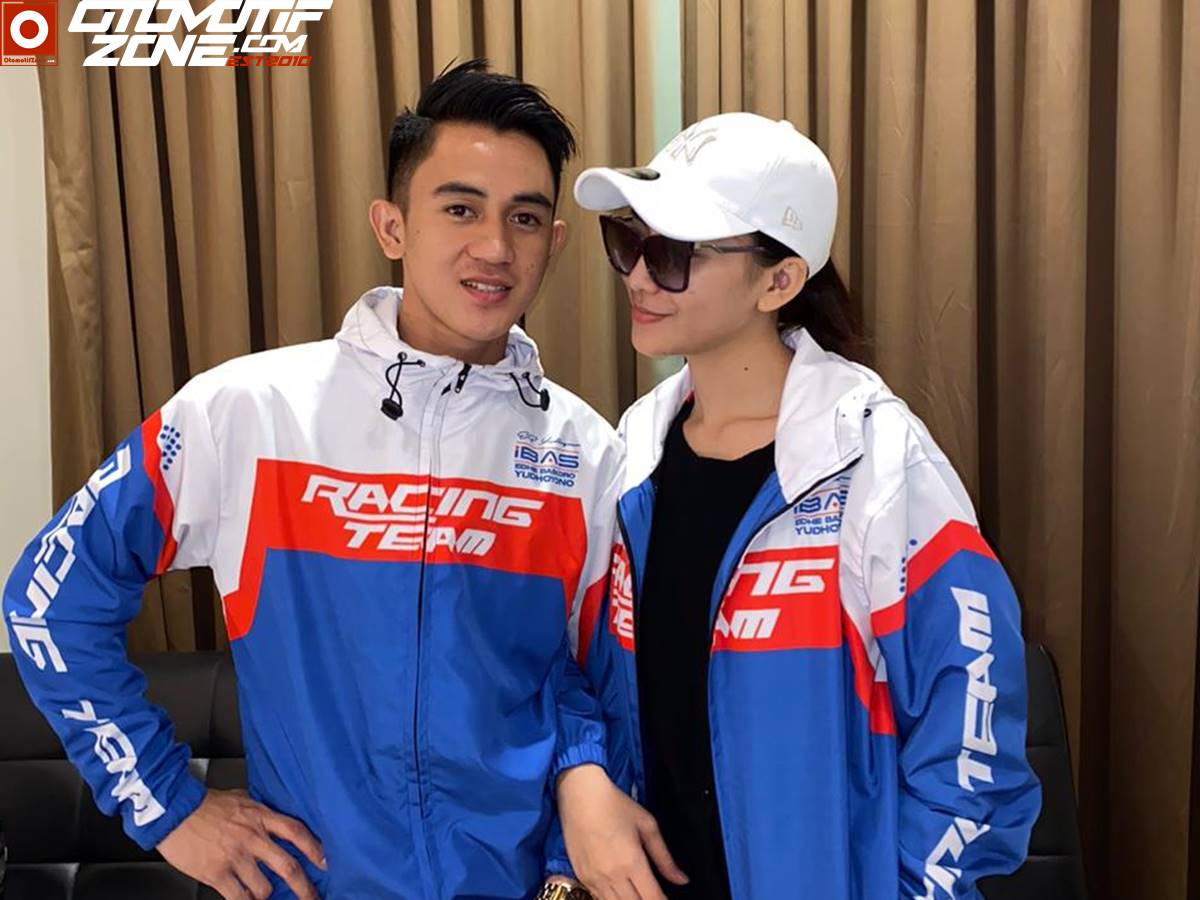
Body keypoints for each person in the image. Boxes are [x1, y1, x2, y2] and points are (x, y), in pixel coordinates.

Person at [2, 60, 671, 900]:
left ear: (555, 242)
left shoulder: (588, 454)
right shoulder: (247, 411)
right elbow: (47, 601)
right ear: (392, 226)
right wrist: (168, 806)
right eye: (459, 208)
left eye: (525, 217)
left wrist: (569, 873)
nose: (495, 247)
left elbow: (609, 688)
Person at [558, 112, 1043, 899]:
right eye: (628, 241)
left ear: (778, 281)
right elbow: (581, 671)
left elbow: (972, 735)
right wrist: (580, 779)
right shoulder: (633, 452)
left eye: (673, 252)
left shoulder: (876, 462)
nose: (639, 276)